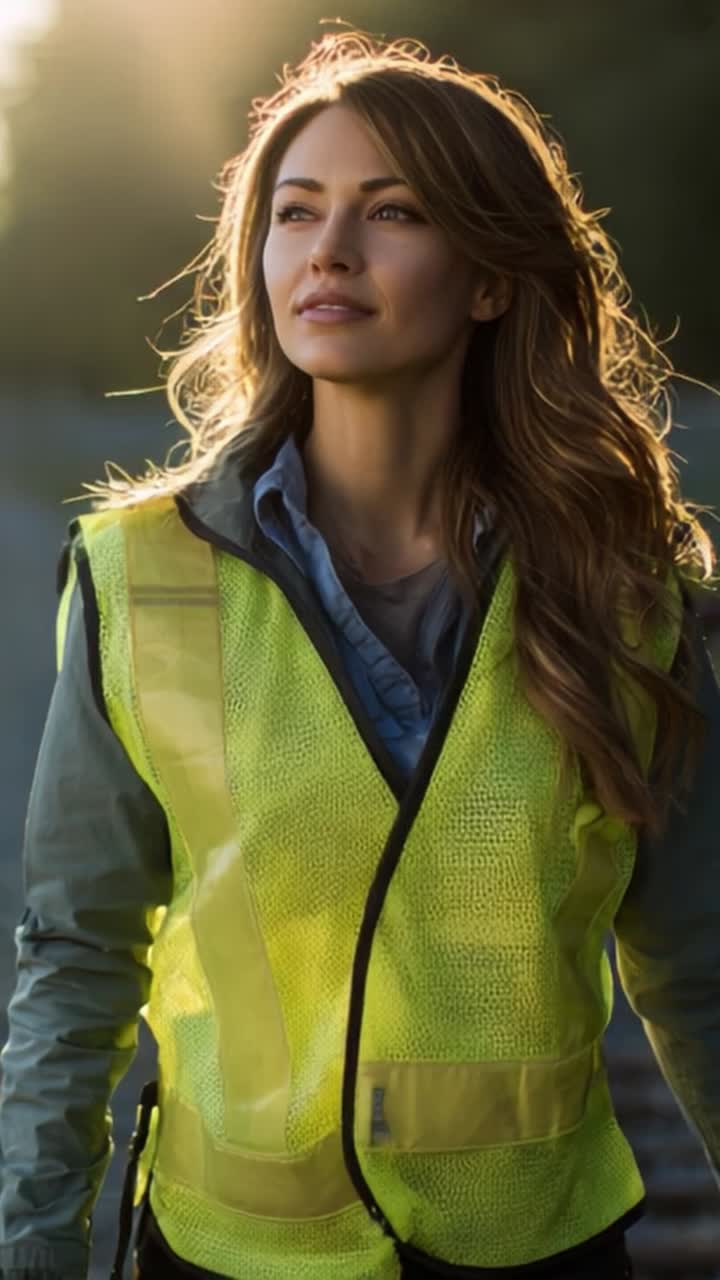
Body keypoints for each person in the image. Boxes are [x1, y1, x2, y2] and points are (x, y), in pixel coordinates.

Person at [1, 26, 719, 1280]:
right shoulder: (140, 574)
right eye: (294, 211)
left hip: (538, 1249)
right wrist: (36, 1240)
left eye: (391, 211)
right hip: (230, 1252)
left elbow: (700, 964)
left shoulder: (625, 594)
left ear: (492, 277)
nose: (326, 249)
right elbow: (77, 951)